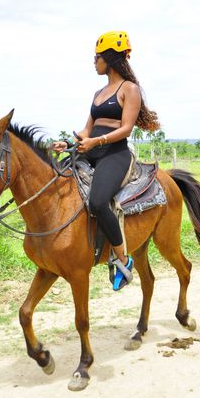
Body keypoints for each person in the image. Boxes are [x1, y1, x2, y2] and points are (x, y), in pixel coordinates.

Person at [52, 30, 160, 291]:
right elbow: (87, 129)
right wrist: (68, 143)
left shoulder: (129, 89)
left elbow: (125, 129)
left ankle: (123, 259)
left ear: (109, 59)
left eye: (97, 57)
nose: (94, 62)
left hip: (115, 154)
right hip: (90, 149)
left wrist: (96, 142)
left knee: (98, 201)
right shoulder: (98, 93)